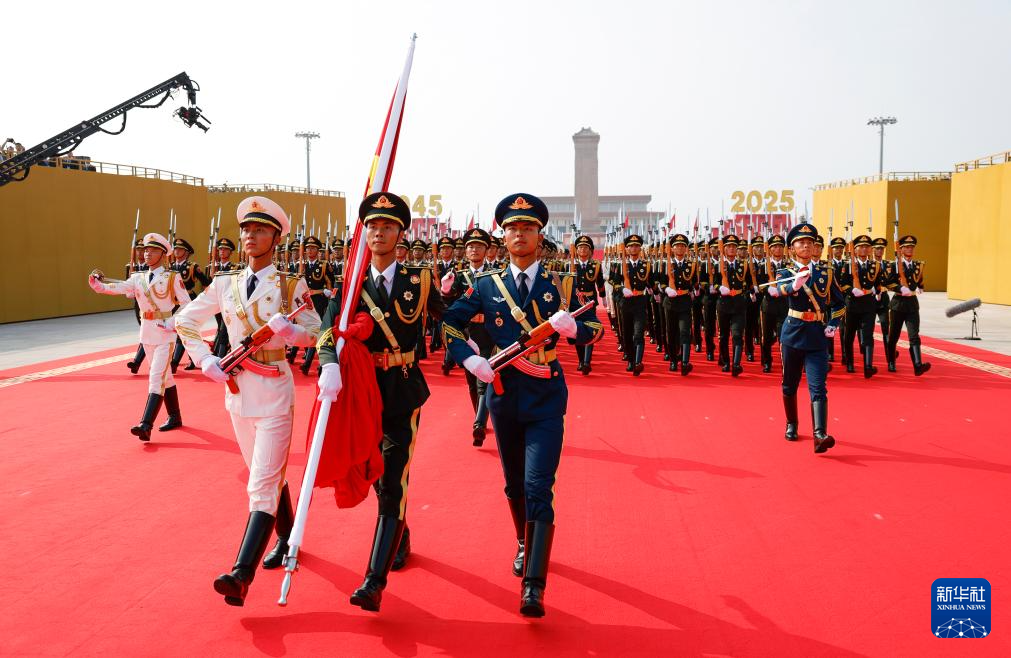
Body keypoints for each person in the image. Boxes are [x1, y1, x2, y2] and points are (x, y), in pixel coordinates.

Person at [442, 193, 603, 618]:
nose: (519, 234)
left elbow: (595, 326)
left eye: (527, 228)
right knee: (514, 484)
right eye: (512, 228)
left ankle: (534, 584)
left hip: (546, 394)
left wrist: (575, 331)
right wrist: (470, 358)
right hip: (504, 394)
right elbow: (450, 322)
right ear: (503, 236)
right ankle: (522, 541)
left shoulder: (562, 284)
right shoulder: (486, 285)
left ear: (539, 235)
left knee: (538, 486)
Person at [175, 196, 321, 606]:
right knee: (268, 475)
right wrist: (204, 358)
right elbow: (184, 319)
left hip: (274, 391)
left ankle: (241, 574)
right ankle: (287, 536)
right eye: (246, 230)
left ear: (275, 237)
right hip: (237, 393)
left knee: (261, 484)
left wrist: (291, 333)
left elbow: (316, 332)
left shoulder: (290, 285)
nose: (250, 236)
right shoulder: (225, 284)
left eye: (259, 230)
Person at [317, 192, 444, 613]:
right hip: (360, 391)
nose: (379, 232)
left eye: (387, 226)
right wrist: (328, 363)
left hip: (402, 389)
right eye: (372, 225)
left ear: (400, 234)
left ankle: (374, 580)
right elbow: (327, 329)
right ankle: (399, 530)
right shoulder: (351, 283)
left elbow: (450, 316)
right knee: (372, 468)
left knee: (392, 477)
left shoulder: (419, 281)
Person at [87, 233, 190, 441]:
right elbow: (118, 287)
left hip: (165, 334)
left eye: (152, 250)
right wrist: (99, 286)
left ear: (163, 254)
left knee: (156, 378)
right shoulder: (138, 278)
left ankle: (146, 425)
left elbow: (187, 304)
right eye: (145, 250)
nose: (147, 253)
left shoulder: (172, 277)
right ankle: (175, 416)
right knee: (164, 377)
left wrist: (172, 322)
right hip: (147, 333)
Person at [773, 223, 846, 453]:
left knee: (818, 386)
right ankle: (791, 423)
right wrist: (795, 284)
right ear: (792, 249)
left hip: (816, 335)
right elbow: (779, 289)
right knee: (790, 383)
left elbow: (839, 303)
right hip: (793, 334)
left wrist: (833, 324)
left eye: (809, 243)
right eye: (800, 243)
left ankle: (819, 434)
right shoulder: (786, 271)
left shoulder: (826, 272)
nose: (806, 246)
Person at [441, 228, 496, 444]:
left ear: (486, 250)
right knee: (472, 381)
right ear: (465, 251)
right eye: (471, 246)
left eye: (479, 246)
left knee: (484, 379)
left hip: (488, 332)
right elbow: (449, 305)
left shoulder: (495, 275)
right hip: (467, 332)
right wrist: (446, 290)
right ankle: (479, 415)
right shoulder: (458, 275)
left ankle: (479, 424)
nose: (474, 250)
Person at [884, 235, 932, 375]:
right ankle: (891, 361)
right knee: (894, 335)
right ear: (901, 249)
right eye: (907, 247)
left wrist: (921, 286)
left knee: (914, 335)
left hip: (912, 304)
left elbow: (919, 277)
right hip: (898, 304)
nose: (910, 249)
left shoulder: (918, 265)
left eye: (912, 247)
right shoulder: (894, 265)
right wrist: (900, 289)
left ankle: (917, 365)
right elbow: (888, 283)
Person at [842, 235, 885, 378]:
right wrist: (852, 290)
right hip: (853, 304)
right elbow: (843, 284)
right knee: (849, 335)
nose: (864, 249)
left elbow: (878, 282)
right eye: (861, 246)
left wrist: (877, 291)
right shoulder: (848, 265)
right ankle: (850, 363)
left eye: (867, 246)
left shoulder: (875, 265)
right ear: (855, 249)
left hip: (868, 305)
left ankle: (868, 366)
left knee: (868, 335)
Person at [610, 234, 650, 375]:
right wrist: (622, 289)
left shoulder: (646, 265)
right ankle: (631, 361)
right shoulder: (620, 265)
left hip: (639, 301)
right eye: (631, 246)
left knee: (638, 333)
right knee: (627, 333)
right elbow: (613, 282)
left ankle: (638, 362)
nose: (634, 248)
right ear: (626, 249)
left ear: (640, 248)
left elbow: (651, 282)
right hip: (626, 302)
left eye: (636, 246)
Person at [169, 238, 211, 373]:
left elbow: (206, 282)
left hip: (188, 299)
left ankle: (174, 362)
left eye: (180, 249)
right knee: (173, 329)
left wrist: (207, 299)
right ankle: (191, 358)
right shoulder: (169, 267)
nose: (176, 251)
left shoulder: (192, 266)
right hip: (172, 301)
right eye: (175, 249)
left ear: (186, 252)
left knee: (183, 328)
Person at [659, 233, 696, 375]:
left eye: (682, 246)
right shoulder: (666, 264)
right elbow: (661, 282)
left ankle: (685, 362)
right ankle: (673, 360)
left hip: (685, 302)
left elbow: (694, 282)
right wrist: (666, 289)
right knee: (671, 332)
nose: (680, 248)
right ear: (672, 248)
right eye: (677, 246)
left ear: (686, 249)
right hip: (670, 303)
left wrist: (695, 289)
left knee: (685, 331)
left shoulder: (690, 265)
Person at [715, 235, 752, 376]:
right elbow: (713, 283)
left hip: (738, 303)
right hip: (724, 304)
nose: (731, 248)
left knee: (737, 334)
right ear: (724, 249)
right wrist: (719, 288)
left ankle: (736, 364)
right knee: (724, 335)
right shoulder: (718, 265)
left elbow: (749, 282)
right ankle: (726, 362)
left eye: (734, 246)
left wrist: (751, 290)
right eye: (729, 246)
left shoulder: (744, 265)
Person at [571, 235, 606, 374]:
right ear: (576, 250)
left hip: (590, 302)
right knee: (577, 331)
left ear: (590, 251)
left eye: (586, 247)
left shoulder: (595, 265)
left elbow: (600, 283)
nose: (583, 250)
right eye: (580, 247)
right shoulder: (571, 265)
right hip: (575, 303)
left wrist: (603, 297)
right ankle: (581, 360)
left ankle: (587, 362)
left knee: (591, 329)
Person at [757, 235, 789, 373]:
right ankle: (767, 361)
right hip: (768, 304)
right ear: (770, 249)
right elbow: (759, 284)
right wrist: (767, 289)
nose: (778, 249)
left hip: (784, 304)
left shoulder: (789, 266)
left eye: (780, 246)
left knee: (784, 335)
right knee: (766, 336)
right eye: (775, 246)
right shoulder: (763, 266)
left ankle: (785, 362)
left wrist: (783, 290)